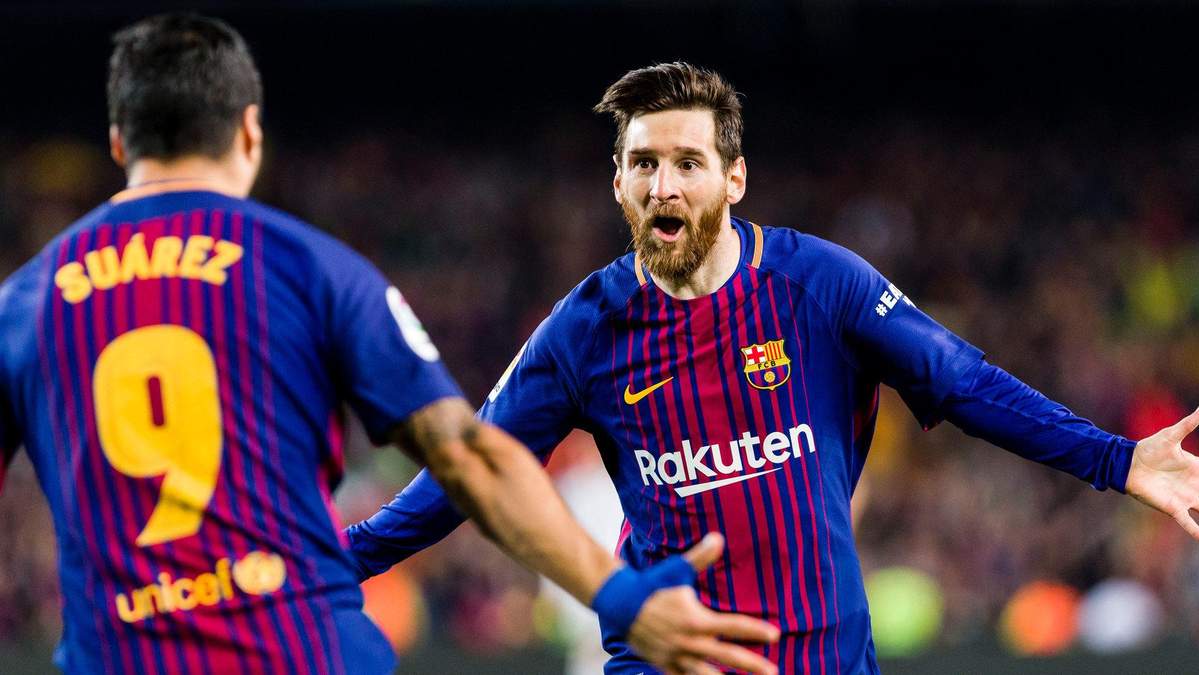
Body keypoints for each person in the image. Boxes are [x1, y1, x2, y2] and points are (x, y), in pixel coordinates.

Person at [345, 61, 1199, 674]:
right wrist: (343, 558)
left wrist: (1116, 459)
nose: (664, 185)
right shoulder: (584, 330)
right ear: (617, 183)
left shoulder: (819, 286)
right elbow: (476, 464)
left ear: (735, 178)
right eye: (644, 163)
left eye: (688, 163)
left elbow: (964, 382)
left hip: (823, 654)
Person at [0, 20, 781, 675]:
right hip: (298, 651)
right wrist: (619, 597)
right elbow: (469, 458)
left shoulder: (24, 304)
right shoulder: (311, 270)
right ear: (249, 133)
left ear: (117, 142)